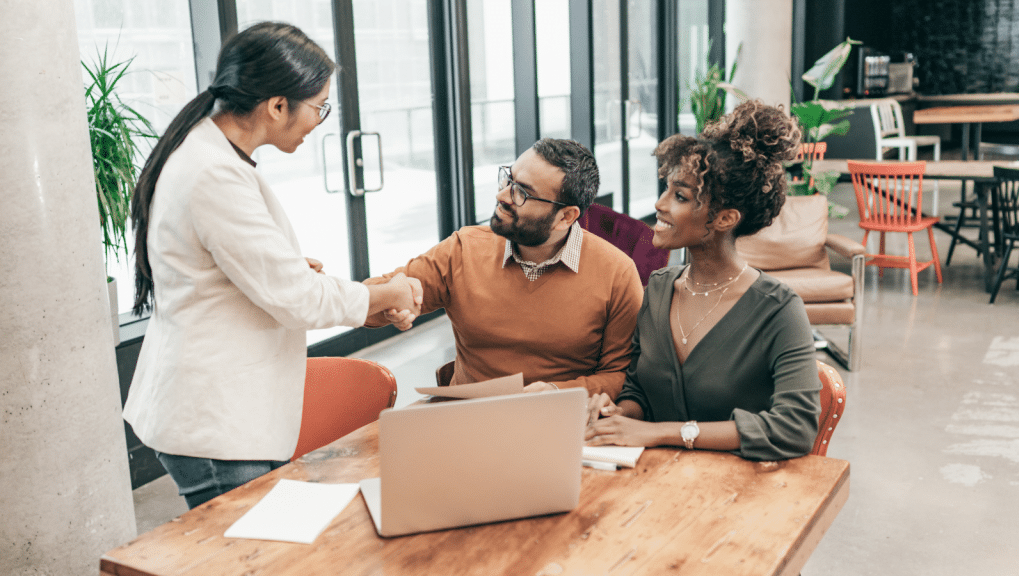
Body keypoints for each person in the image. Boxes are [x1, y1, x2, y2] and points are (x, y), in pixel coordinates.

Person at [122, 22, 422, 509]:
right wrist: (386, 294)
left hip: (219, 409)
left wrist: (281, 269)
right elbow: (296, 297)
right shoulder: (214, 173)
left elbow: (222, 267)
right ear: (278, 105)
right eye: (319, 107)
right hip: (216, 423)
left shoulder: (206, 150)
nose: (319, 120)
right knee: (248, 557)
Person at [584, 100, 820, 461]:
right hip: (654, 481)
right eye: (666, 189)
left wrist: (661, 433)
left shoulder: (778, 310)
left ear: (725, 219)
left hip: (738, 493)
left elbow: (795, 428)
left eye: (680, 196)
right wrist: (620, 414)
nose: (660, 204)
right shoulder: (660, 288)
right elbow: (639, 390)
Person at [366, 139, 644, 398]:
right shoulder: (464, 249)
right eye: (508, 179)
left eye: (522, 192)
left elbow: (621, 375)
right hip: (467, 418)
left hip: (557, 420)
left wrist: (557, 391)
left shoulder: (616, 273)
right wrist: (393, 298)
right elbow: (365, 303)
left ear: (565, 217)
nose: (502, 195)